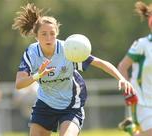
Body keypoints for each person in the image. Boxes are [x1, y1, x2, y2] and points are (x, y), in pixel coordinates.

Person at [12, 3, 135, 136]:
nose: (48, 38)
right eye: (44, 34)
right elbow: (19, 84)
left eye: (52, 33)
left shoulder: (69, 50)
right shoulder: (32, 53)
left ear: (57, 34)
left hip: (71, 105)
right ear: (36, 36)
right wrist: (37, 75)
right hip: (45, 104)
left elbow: (100, 63)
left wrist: (121, 78)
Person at [117, 1, 152, 136]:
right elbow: (123, 66)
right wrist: (128, 92)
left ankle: (131, 129)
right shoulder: (142, 45)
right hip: (143, 103)